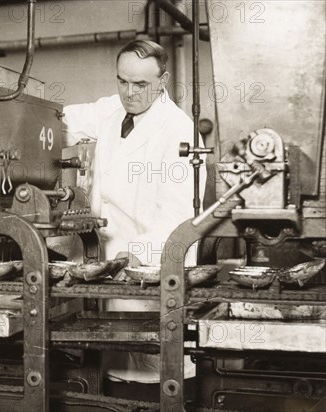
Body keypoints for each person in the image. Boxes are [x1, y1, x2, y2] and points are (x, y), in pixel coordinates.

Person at [62, 39, 205, 400]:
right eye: (122, 81)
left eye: (140, 84)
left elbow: (179, 217)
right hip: (105, 272)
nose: (130, 93)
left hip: (147, 276)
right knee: (110, 377)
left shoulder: (179, 132)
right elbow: (54, 118)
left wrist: (133, 257)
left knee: (152, 380)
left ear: (163, 81)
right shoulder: (113, 110)